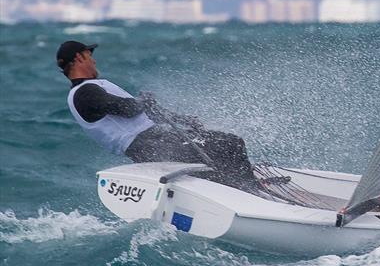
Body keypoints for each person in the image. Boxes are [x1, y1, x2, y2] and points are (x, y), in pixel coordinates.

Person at [56, 40, 263, 192]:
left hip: (159, 139)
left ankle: (235, 185)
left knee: (222, 145)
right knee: (231, 144)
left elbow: (141, 113)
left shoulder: (92, 88)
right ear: (79, 58)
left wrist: (182, 120)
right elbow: (127, 109)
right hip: (149, 147)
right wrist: (142, 101)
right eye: (89, 54)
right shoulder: (84, 93)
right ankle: (250, 191)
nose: (93, 59)